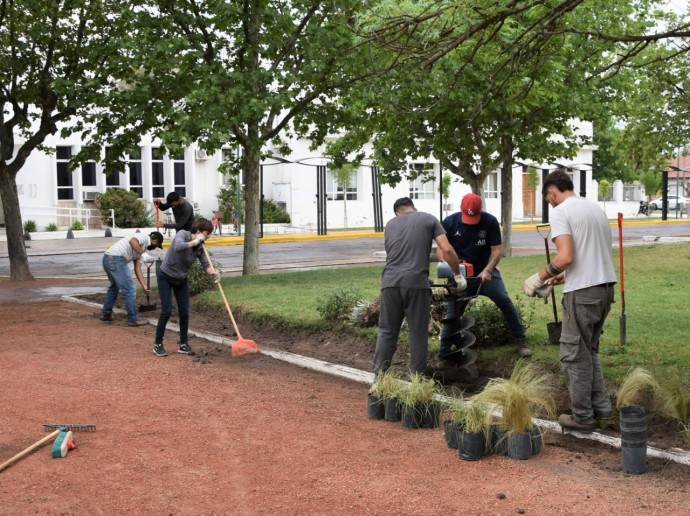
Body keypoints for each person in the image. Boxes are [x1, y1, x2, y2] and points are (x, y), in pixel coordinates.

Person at [523, 170, 616, 433]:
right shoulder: (594, 208)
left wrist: (538, 278)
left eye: (548, 200)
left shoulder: (561, 211)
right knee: (589, 351)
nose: (550, 204)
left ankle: (582, 418)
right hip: (604, 288)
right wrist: (564, 276)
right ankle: (602, 410)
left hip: (583, 293)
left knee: (573, 355)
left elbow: (565, 256)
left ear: (551, 192)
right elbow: (588, 253)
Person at [373, 197, 463, 377]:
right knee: (418, 333)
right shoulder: (428, 218)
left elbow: (400, 256)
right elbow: (447, 250)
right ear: (414, 208)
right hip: (415, 284)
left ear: (397, 212)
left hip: (389, 283)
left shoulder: (390, 225)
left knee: (387, 331)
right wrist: (458, 275)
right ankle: (417, 380)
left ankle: (379, 378)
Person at [438, 193, 531, 358]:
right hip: (461, 275)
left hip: (485, 273)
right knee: (453, 312)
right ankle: (444, 352)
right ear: (460, 209)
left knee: (504, 301)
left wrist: (488, 269)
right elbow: (441, 250)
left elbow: (497, 250)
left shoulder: (489, 221)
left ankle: (520, 340)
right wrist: (451, 269)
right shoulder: (450, 222)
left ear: (480, 210)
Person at [153, 218, 220, 357]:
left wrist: (213, 273)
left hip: (181, 279)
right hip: (165, 276)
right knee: (166, 310)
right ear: (199, 231)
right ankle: (158, 344)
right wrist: (194, 242)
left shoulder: (200, 247)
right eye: (207, 233)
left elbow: (206, 264)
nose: (208, 237)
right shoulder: (183, 234)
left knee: (184, 312)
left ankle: (183, 344)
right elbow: (178, 247)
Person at [101, 230, 165, 326]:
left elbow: (137, 268)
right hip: (116, 258)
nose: (154, 247)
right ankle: (132, 319)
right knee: (130, 289)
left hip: (107, 259)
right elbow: (132, 241)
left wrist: (144, 286)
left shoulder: (142, 250)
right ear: (155, 240)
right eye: (156, 245)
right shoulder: (144, 237)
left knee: (114, 287)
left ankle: (106, 314)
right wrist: (143, 254)